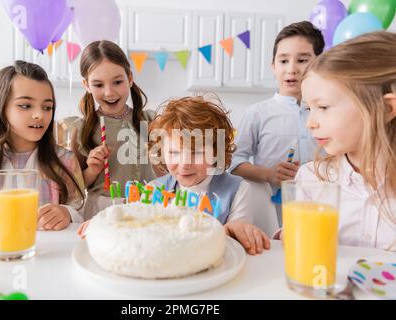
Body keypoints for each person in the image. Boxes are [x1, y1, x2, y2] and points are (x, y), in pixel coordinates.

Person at [79, 95, 271, 255]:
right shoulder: (154, 190)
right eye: (173, 153)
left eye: (196, 152)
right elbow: (132, 223)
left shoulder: (237, 189)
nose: (185, 163)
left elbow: (239, 235)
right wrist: (105, 223)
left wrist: (233, 230)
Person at [295, 31, 396, 251]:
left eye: (323, 107)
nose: (310, 123)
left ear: (386, 108)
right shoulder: (311, 179)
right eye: (309, 109)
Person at [0, 61, 85, 230]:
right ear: (1, 107)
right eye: (25, 106)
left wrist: (66, 212)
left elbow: (80, 208)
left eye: (47, 107)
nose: (40, 115)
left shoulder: (65, 161)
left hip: (50, 253)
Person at [230, 21, 324, 226]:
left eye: (302, 60)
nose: (291, 69)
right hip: (272, 213)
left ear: (319, 64)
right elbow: (234, 162)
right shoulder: (257, 113)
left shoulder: (328, 111)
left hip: (321, 209)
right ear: (273, 67)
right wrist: (268, 174)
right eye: (283, 61)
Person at [71, 40, 157, 220]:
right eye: (98, 85)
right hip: (101, 211)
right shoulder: (81, 129)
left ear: (130, 79)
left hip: (146, 208)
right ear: (86, 85)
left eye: (117, 82)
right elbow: (74, 187)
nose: (109, 92)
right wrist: (92, 170)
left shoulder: (151, 121)